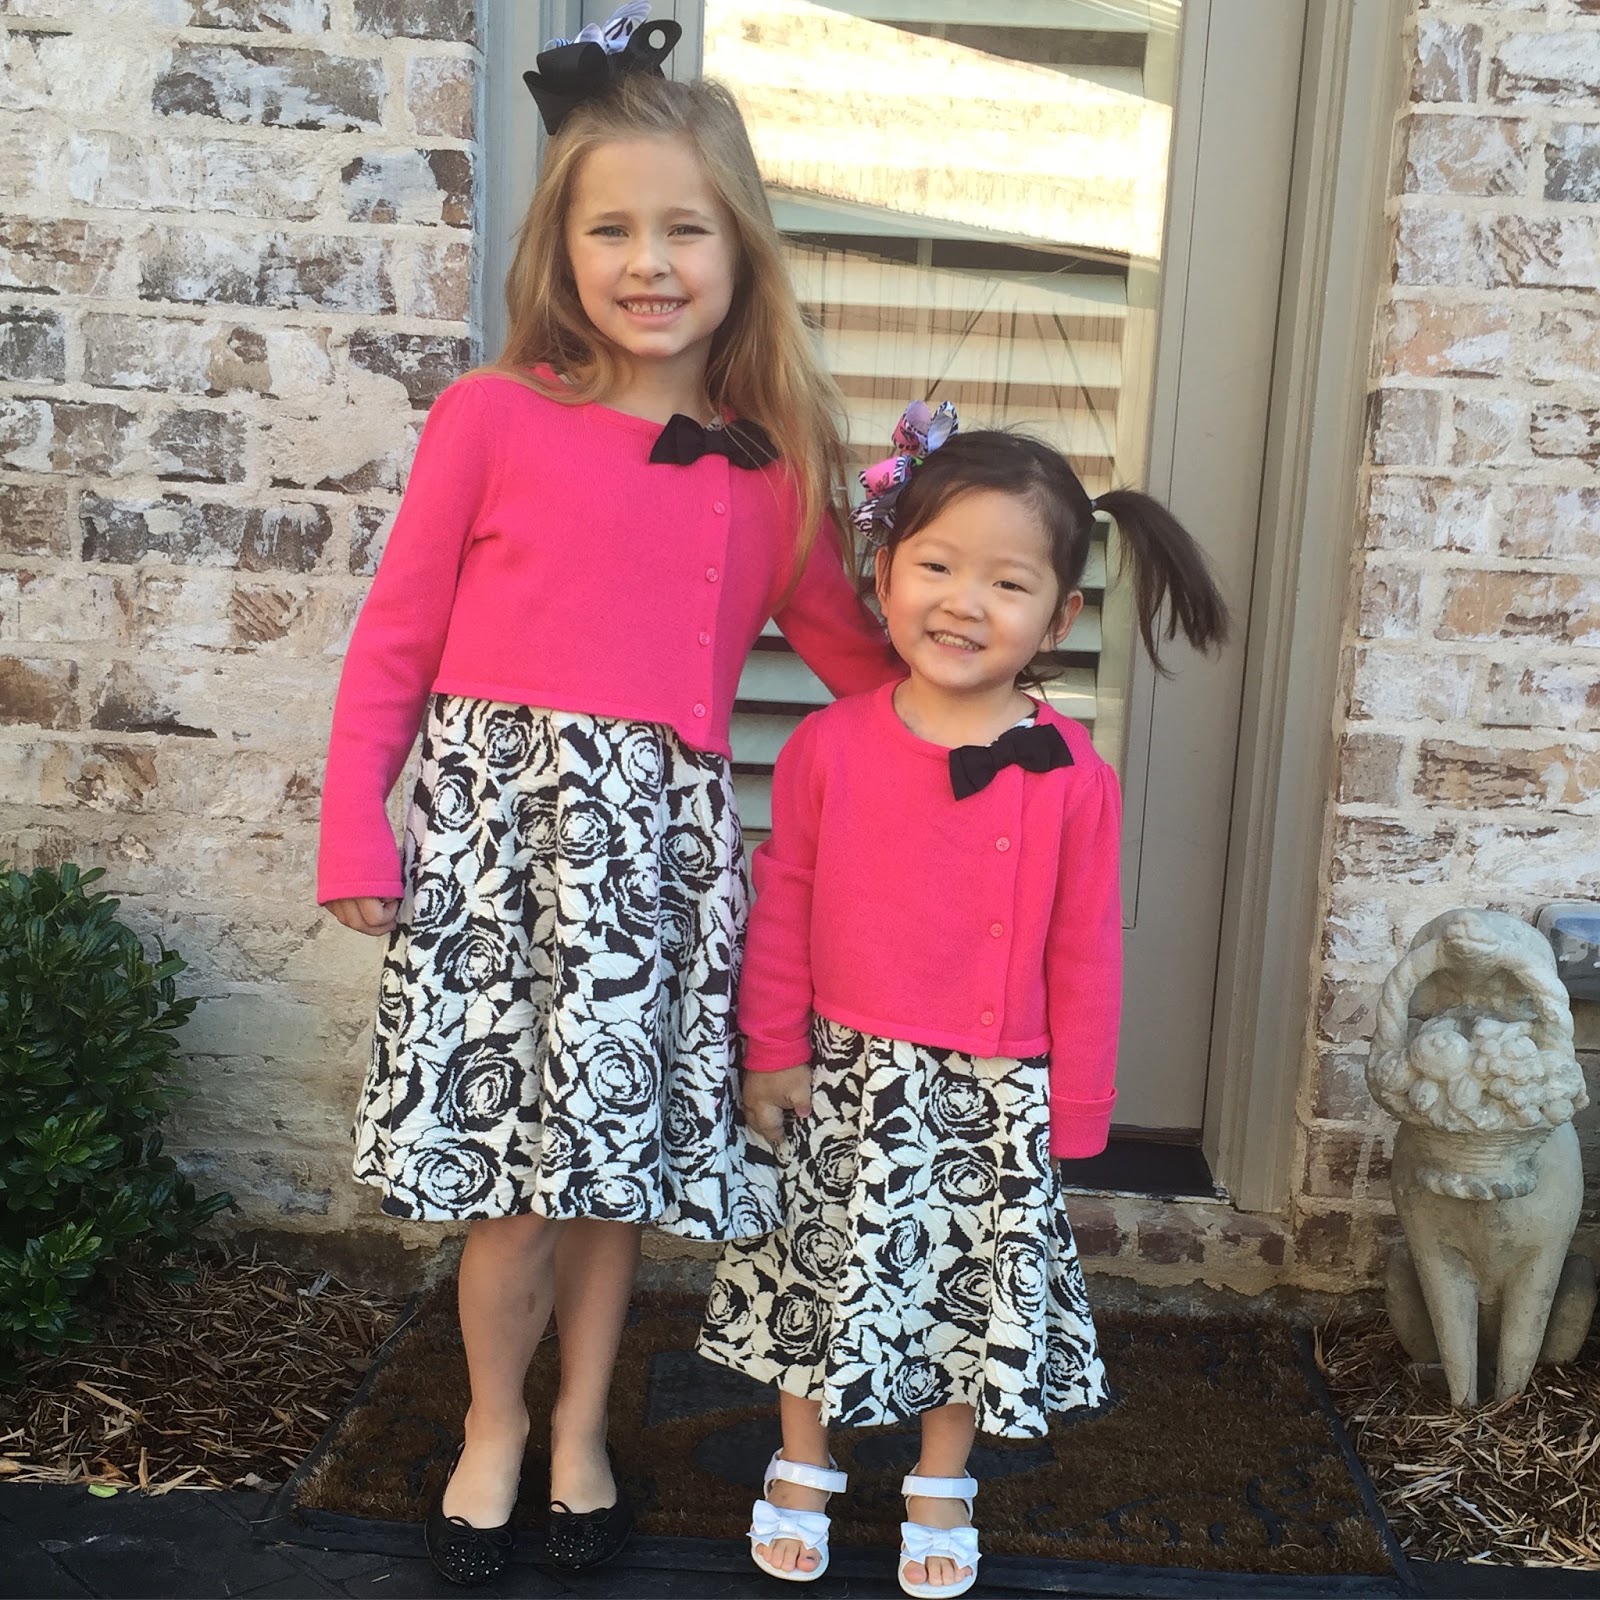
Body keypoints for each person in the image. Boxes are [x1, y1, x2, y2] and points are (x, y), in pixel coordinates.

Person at [316, 6, 900, 1585]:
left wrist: (988, 696)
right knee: (512, 1188)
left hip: (655, 869)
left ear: (741, 250)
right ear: (562, 250)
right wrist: (356, 819)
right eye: (612, 229)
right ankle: (493, 1424)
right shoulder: (493, 415)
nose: (649, 262)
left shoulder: (767, 461)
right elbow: (397, 638)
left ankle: (583, 1426)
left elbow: (859, 660)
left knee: (608, 1180)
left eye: (684, 230)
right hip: (497, 847)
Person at [697, 401, 1231, 1597]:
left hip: (990, 1086)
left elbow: (1084, 950)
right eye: (936, 566)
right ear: (883, 574)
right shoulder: (829, 745)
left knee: (964, 1286)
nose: (963, 601)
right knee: (818, 1266)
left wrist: (1074, 1106)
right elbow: (784, 903)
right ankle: (801, 1460)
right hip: (844, 1072)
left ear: (1060, 617)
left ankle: (942, 1478)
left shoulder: (1069, 774)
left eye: (1006, 581)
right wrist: (771, 1047)